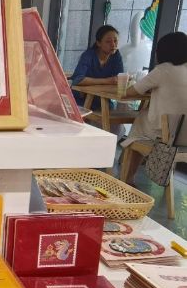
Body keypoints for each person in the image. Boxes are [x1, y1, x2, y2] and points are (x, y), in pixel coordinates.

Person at [122, 32, 187, 185]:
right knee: (144, 120)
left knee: (139, 123)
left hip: (166, 136)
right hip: (184, 136)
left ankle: (127, 179)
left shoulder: (163, 70)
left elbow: (130, 92)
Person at [70, 25, 124, 110]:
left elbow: (119, 78)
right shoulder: (88, 55)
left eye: (115, 41)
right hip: (80, 99)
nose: (113, 44)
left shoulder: (116, 56)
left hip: (102, 99)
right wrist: (108, 81)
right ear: (98, 43)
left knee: (114, 109)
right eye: (108, 41)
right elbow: (78, 79)